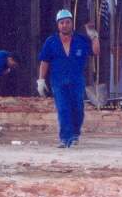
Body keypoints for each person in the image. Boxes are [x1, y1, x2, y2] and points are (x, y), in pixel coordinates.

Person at [37, 9, 100, 148]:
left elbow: (96, 52)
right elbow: (44, 62)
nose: (64, 25)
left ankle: (75, 134)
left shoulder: (81, 40)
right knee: (63, 108)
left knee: (77, 108)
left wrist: (94, 37)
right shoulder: (51, 42)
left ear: (72, 23)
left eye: (67, 22)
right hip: (58, 81)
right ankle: (65, 138)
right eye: (61, 23)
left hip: (76, 81)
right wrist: (41, 80)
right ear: (58, 25)